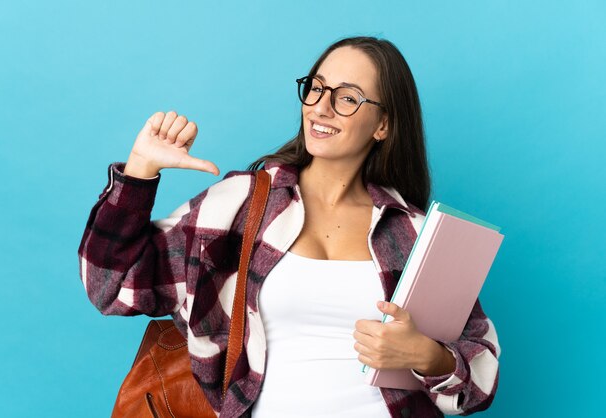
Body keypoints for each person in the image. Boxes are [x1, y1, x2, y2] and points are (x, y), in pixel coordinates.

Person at [78, 36, 500, 417]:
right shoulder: (240, 206)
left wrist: (428, 357)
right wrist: (138, 174)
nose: (321, 106)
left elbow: (480, 377)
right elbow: (110, 286)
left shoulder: (413, 232)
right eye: (316, 88)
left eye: (348, 97)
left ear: (384, 125)